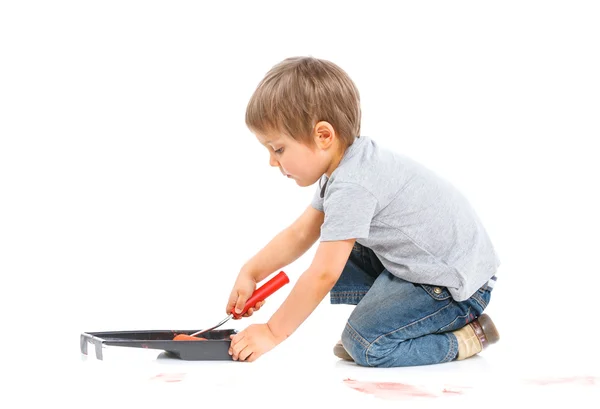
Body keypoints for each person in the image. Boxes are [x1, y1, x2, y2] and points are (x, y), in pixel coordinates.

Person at [226, 56, 500, 367]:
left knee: (365, 345)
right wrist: (251, 272)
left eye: (278, 149)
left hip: (455, 288)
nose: (273, 162)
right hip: (430, 266)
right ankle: (392, 322)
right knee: (335, 242)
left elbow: (324, 274)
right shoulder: (344, 167)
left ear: (324, 136)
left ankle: (465, 338)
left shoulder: (353, 184)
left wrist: (272, 332)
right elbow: (301, 233)